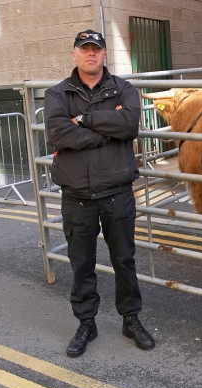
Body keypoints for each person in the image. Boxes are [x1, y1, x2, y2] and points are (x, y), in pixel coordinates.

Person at [44, 29, 155, 357]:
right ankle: (86, 322)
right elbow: (58, 133)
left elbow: (129, 126)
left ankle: (131, 318)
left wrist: (84, 120)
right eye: (85, 49)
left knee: (124, 260)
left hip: (117, 193)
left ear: (105, 54)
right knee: (81, 263)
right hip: (77, 196)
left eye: (97, 49)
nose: (91, 54)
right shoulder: (57, 94)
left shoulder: (124, 89)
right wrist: (104, 132)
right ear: (74, 54)